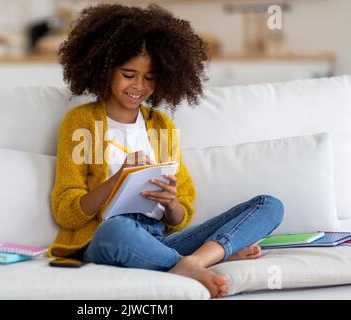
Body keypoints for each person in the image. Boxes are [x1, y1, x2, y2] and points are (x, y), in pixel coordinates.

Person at [47, 3, 284, 298]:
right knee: (116, 231)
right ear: (105, 70)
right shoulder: (81, 123)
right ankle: (204, 261)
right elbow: (67, 213)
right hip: (108, 237)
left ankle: (192, 262)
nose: (139, 86)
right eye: (129, 74)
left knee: (269, 205)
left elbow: (180, 216)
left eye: (150, 78)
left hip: (159, 240)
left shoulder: (162, 127)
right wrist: (117, 180)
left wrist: (171, 203)